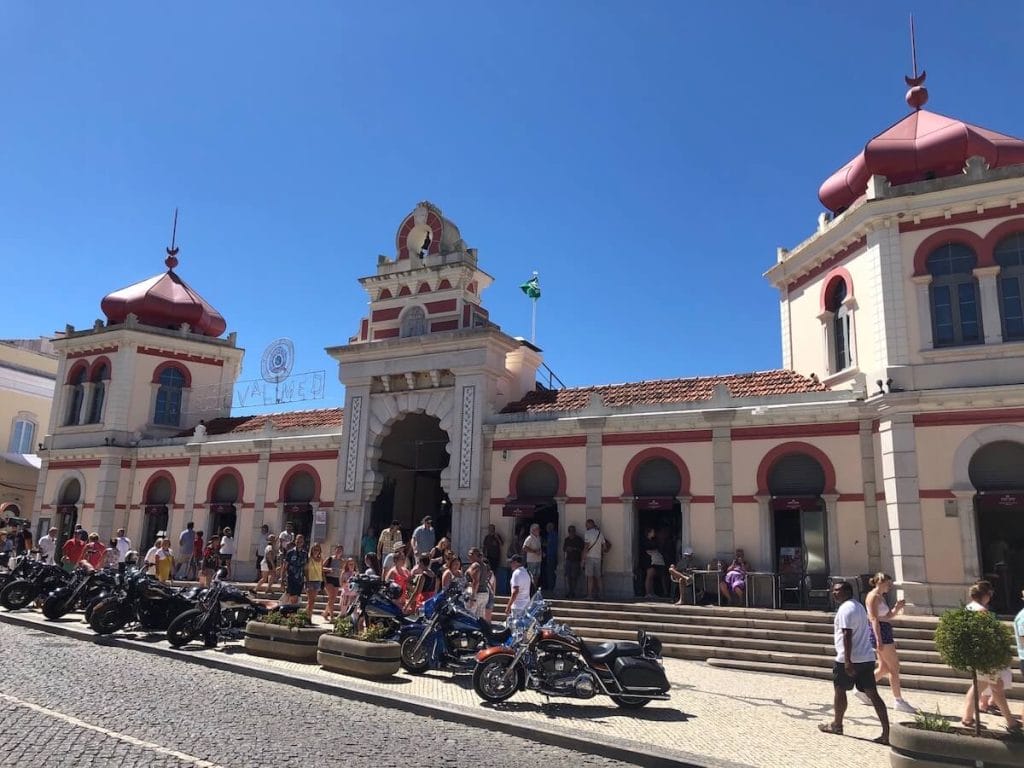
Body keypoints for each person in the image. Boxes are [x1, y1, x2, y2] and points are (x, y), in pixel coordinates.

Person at [818, 580, 889, 745]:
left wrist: (848, 661)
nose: (834, 593)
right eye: (833, 591)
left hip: (848, 659)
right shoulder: (858, 607)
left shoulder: (845, 609)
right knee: (873, 694)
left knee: (840, 690)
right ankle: (886, 732)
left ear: (847, 592)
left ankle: (837, 724)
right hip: (866, 658)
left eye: (837, 591)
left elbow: (847, 635)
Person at [961, 581, 1018, 732]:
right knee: (995, 687)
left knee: (986, 686)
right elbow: (988, 635)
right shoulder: (981, 611)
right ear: (985, 595)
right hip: (986, 656)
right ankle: (1011, 722)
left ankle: (968, 717)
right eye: (989, 594)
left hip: (978, 655)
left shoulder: (968, 608)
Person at [860, 572, 916, 713]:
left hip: (883, 629)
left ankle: (861, 687)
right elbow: (873, 619)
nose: (890, 587)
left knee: (884, 667)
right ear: (880, 582)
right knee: (894, 667)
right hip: (880, 632)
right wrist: (878, 639)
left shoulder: (880, 597)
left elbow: (888, 616)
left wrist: (897, 608)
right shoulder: (873, 597)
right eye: (888, 584)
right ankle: (898, 700)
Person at [583, 519, 608, 601]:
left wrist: (583, 559)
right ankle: (601, 594)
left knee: (590, 577)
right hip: (598, 558)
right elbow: (604, 548)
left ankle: (590, 595)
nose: (585, 526)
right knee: (598, 577)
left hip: (590, 557)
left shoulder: (587, 533)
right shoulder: (600, 534)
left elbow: (586, 547)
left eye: (586, 524)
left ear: (590, 525)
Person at [280, 534, 307, 606]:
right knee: (291, 595)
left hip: (300, 579)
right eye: (298, 541)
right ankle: (284, 608)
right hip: (291, 577)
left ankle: (290, 611)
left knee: (296, 596)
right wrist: (282, 579)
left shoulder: (305, 554)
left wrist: (306, 580)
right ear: (295, 541)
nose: (299, 543)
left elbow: (305, 568)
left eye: (301, 542)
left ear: (303, 542)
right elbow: (284, 566)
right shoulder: (290, 552)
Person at [466, 547, 492, 619]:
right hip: (484, 594)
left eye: (471, 554)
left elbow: (476, 582)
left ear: (476, 555)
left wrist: (472, 597)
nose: (468, 555)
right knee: (480, 618)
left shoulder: (475, 565)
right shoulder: (484, 565)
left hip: (477, 594)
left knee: (470, 617)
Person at [642, 528, 668, 599]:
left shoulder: (652, 540)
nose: (654, 533)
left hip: (653, 560)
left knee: (652, 577)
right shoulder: (646, 541)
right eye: (653, 531)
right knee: (649, 577)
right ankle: (647, 593)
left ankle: (652, 592)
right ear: (649, 533)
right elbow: (647, 550)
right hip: (648, 560)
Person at [322, 544, 344, 621]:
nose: (338, 551)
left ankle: (325, 613)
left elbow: (344, 570)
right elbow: (321, 567)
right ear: (335, 550)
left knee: (333, 598)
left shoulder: (342, 561)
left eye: (340, 550)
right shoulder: (330, 559)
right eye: (337, 550)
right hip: (329, 579)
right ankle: (331, 616)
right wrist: (329, 569)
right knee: (331, 597)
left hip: (337, 580)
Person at [562, 525, 584, 599]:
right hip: (568, 560)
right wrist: (567, 549)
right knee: (568, 577)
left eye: (573, 531)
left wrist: (574, 549)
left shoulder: (579, 539)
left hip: (576, 560)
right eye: (570, 531)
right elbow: (564, 549)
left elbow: (582, 549)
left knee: (574, 577)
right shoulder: (567, 539)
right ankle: (570, 591)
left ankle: (573, 591)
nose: (572, 532)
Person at [483, 524, 505, 593]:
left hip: (496, 557)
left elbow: (502, 544)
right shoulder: (487, 537)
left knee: (494, 572)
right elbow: (484, 547)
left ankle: (494, 588)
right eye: (489, 529)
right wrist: (484, 555)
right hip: (488, 557)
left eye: (492, 528)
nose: (490, 530)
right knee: (488, 572)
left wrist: (497, 538)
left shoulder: (497, 536)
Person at [508, 554, 531, 619]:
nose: (510, 564)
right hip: (526, 606)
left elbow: (515, 591)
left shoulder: (516, 573)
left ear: (516, 562)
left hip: (517, 607)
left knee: (515, 627)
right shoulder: (526, 572)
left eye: (511, 562)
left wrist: (508, 606)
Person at [304, 543, 324, 617]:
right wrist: (307, 579)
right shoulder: (309, 558)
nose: (316, 551)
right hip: (310, 580)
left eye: (317, 549)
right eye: (314, 549)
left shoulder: (321, 559)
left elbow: (321, 570)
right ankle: (309, 617)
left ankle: (305, 615)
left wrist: (324, 580)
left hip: (318, 580)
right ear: (312, 550)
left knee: (312, 601)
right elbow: (305, 569)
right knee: (311, 600)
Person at [522, 524, 543, 588]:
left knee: (537, 576)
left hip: (538, 560)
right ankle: (530, 590)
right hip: (531, 561)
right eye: (538, 529)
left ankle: (534, 589)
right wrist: (534, 551)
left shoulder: (538, 538)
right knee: (531, 576)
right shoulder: (529, 538)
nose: (539, 531)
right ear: (533, 530)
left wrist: (541, 552)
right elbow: (524, 547)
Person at [543, 522, 558, 592]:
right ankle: (550, 587)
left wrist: (541, 543)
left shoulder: (552, 534)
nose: (546, 529)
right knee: (550, 571)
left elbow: (548, 544)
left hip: (551, 556)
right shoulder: (552, 534)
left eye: (548, 527)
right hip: (550, 555)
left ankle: (551, 588)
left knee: (550, 572)